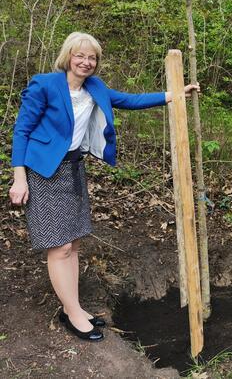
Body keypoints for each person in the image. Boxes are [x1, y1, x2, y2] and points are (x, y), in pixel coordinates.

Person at [9, 32, 199, 341]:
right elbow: (22, 131)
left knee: (72, 243)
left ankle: (75, 306)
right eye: (80, 55)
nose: (86, 62)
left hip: (73, 169)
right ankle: (71, 313)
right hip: (43, 173)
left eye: (92, 58)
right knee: (59, 247)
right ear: (68, 56)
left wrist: (176, 93)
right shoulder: (44, 85)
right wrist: (19, 178)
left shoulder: (94, 87)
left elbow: (131, 100)